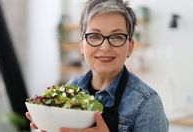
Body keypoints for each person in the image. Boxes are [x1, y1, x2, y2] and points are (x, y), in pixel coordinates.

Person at [25, 0, 169, 131]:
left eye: (117, 37)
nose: (105, 47)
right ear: (82, 45)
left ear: (130, 47)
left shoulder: (147, 103)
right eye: (94, 36)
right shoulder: (72, 88)